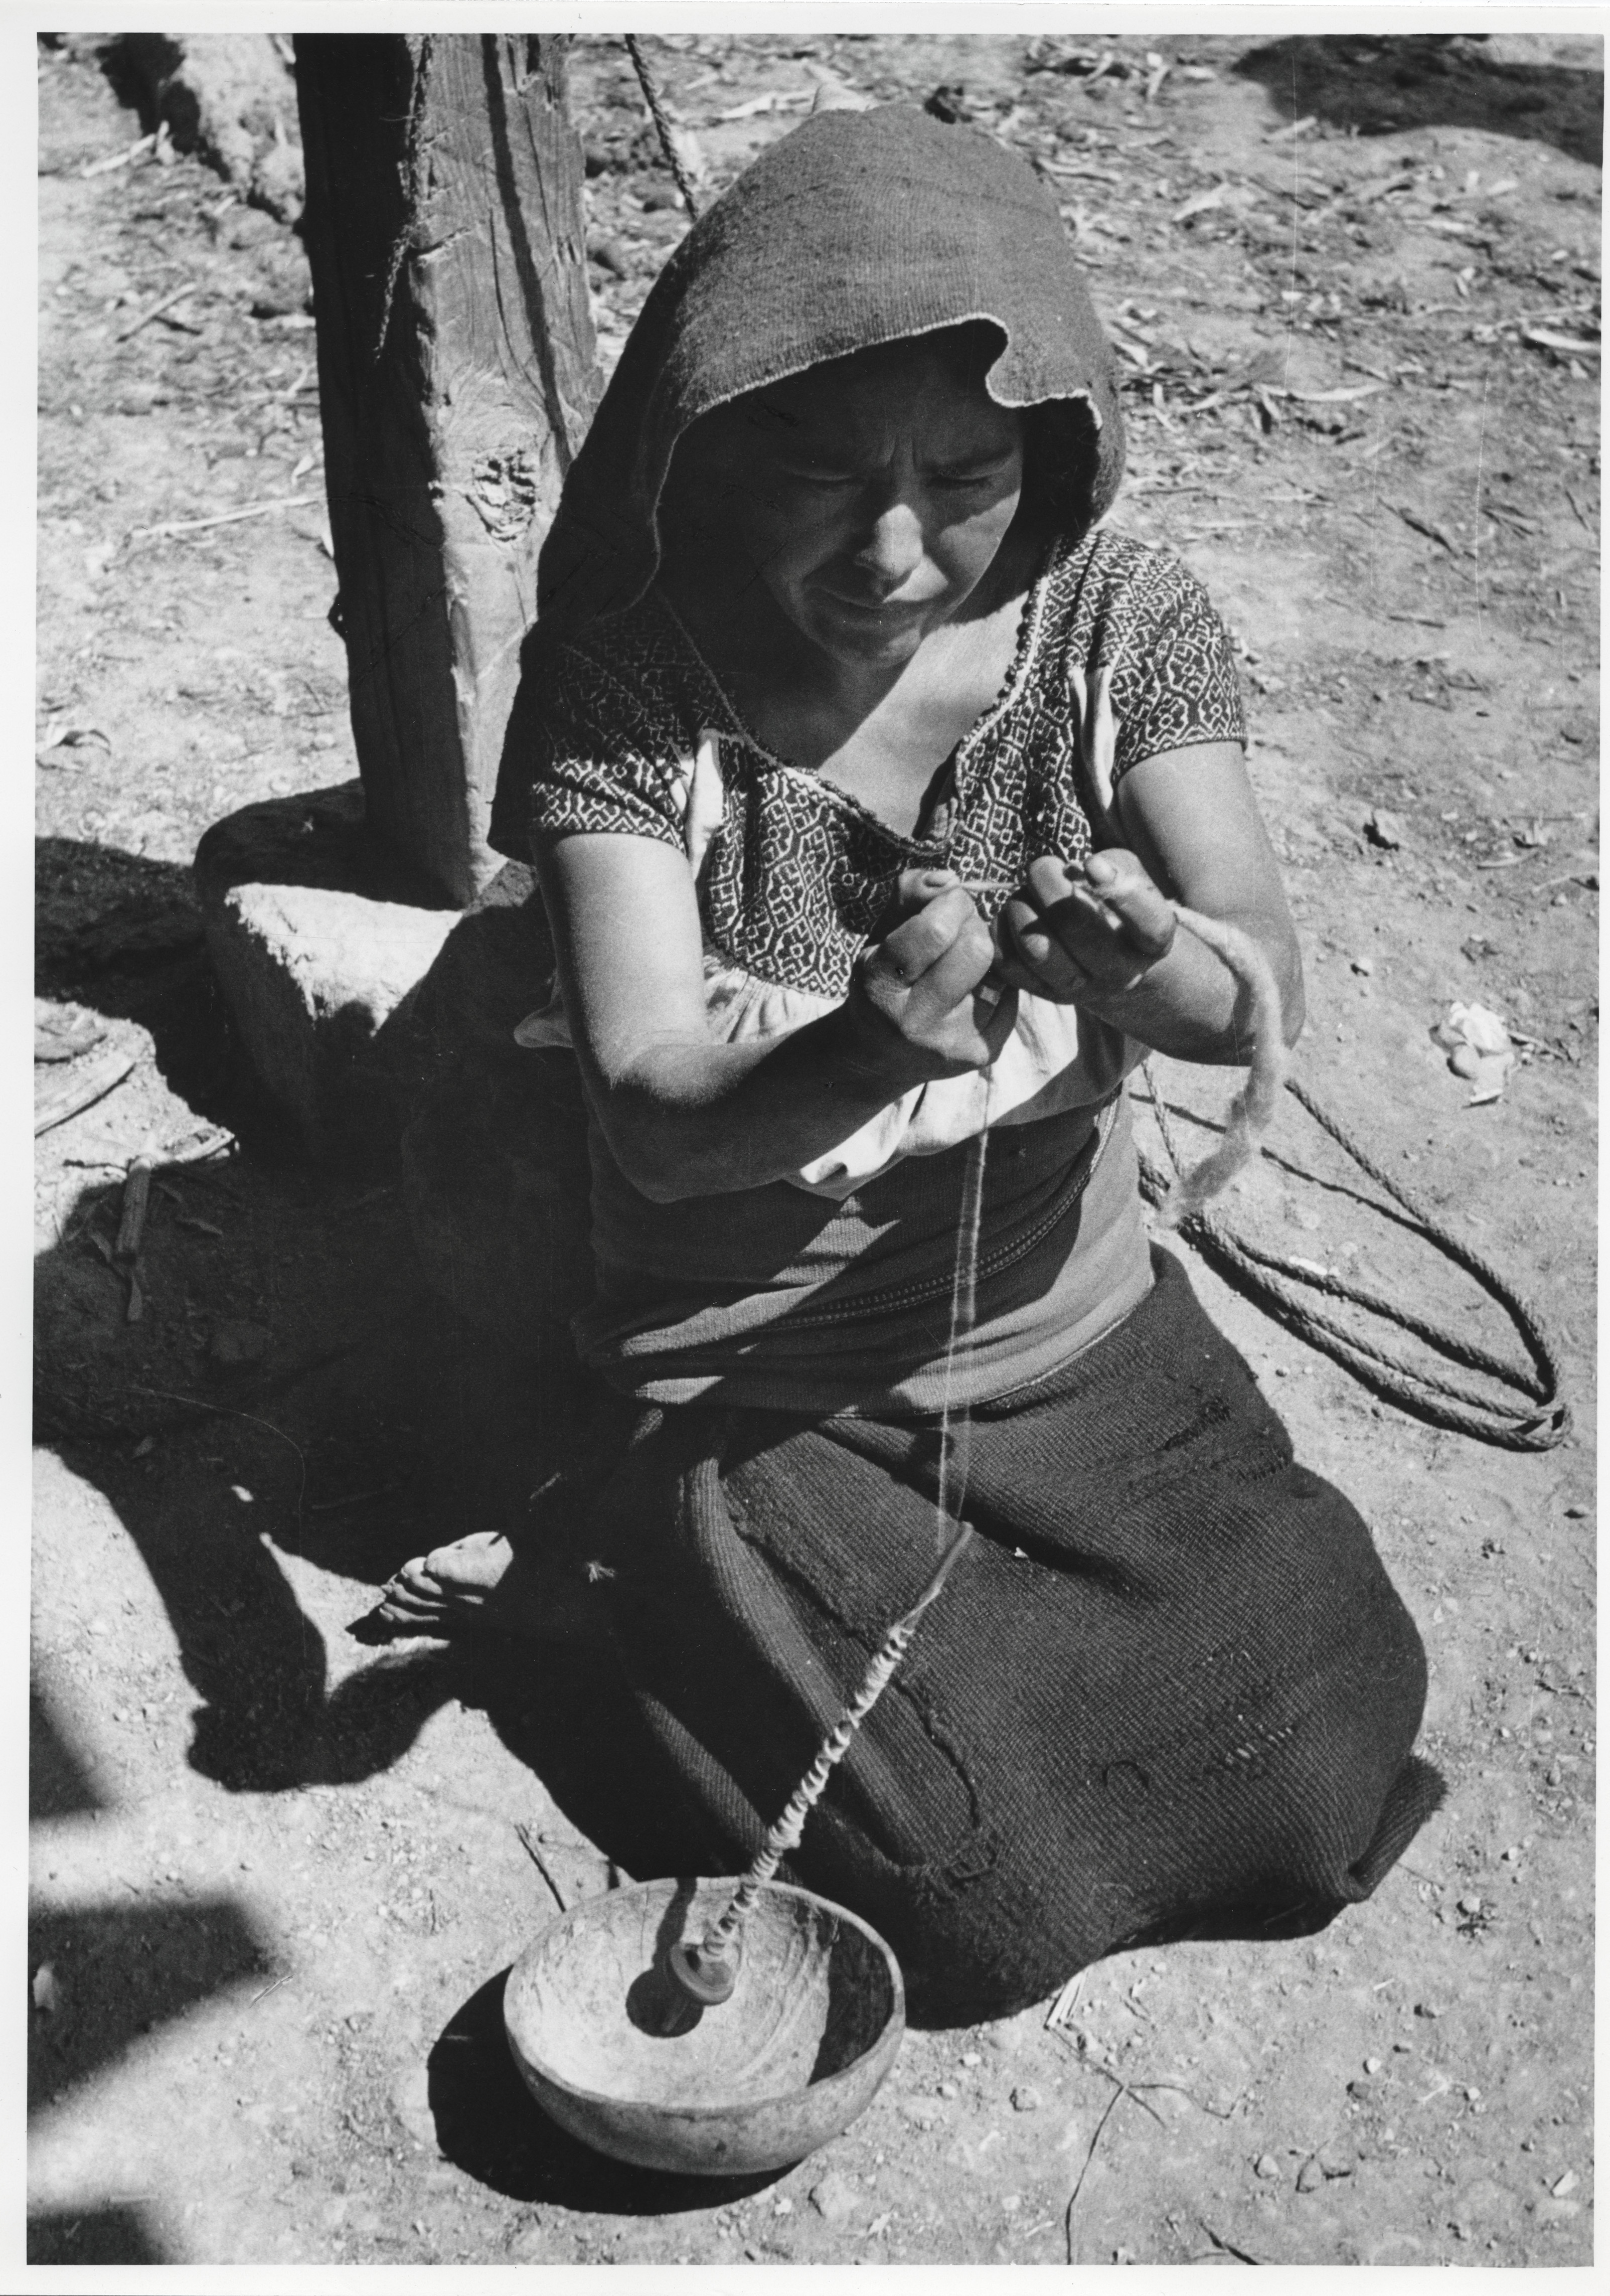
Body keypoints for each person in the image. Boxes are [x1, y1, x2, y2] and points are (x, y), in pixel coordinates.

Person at [377, 104, 1440, 2023]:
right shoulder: (630, 678)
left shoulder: (1117, 622)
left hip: (1067, 1334)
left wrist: (1156, 968)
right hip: (764, 1392)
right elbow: (653, 1115)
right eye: (816, 471)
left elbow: (1254, 981)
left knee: (1319, 1726)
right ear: (708, 449)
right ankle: (599, 1582)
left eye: (962, 478)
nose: (890, 552)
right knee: (975, 1889)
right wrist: (861, 1053)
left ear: (1050, 451)